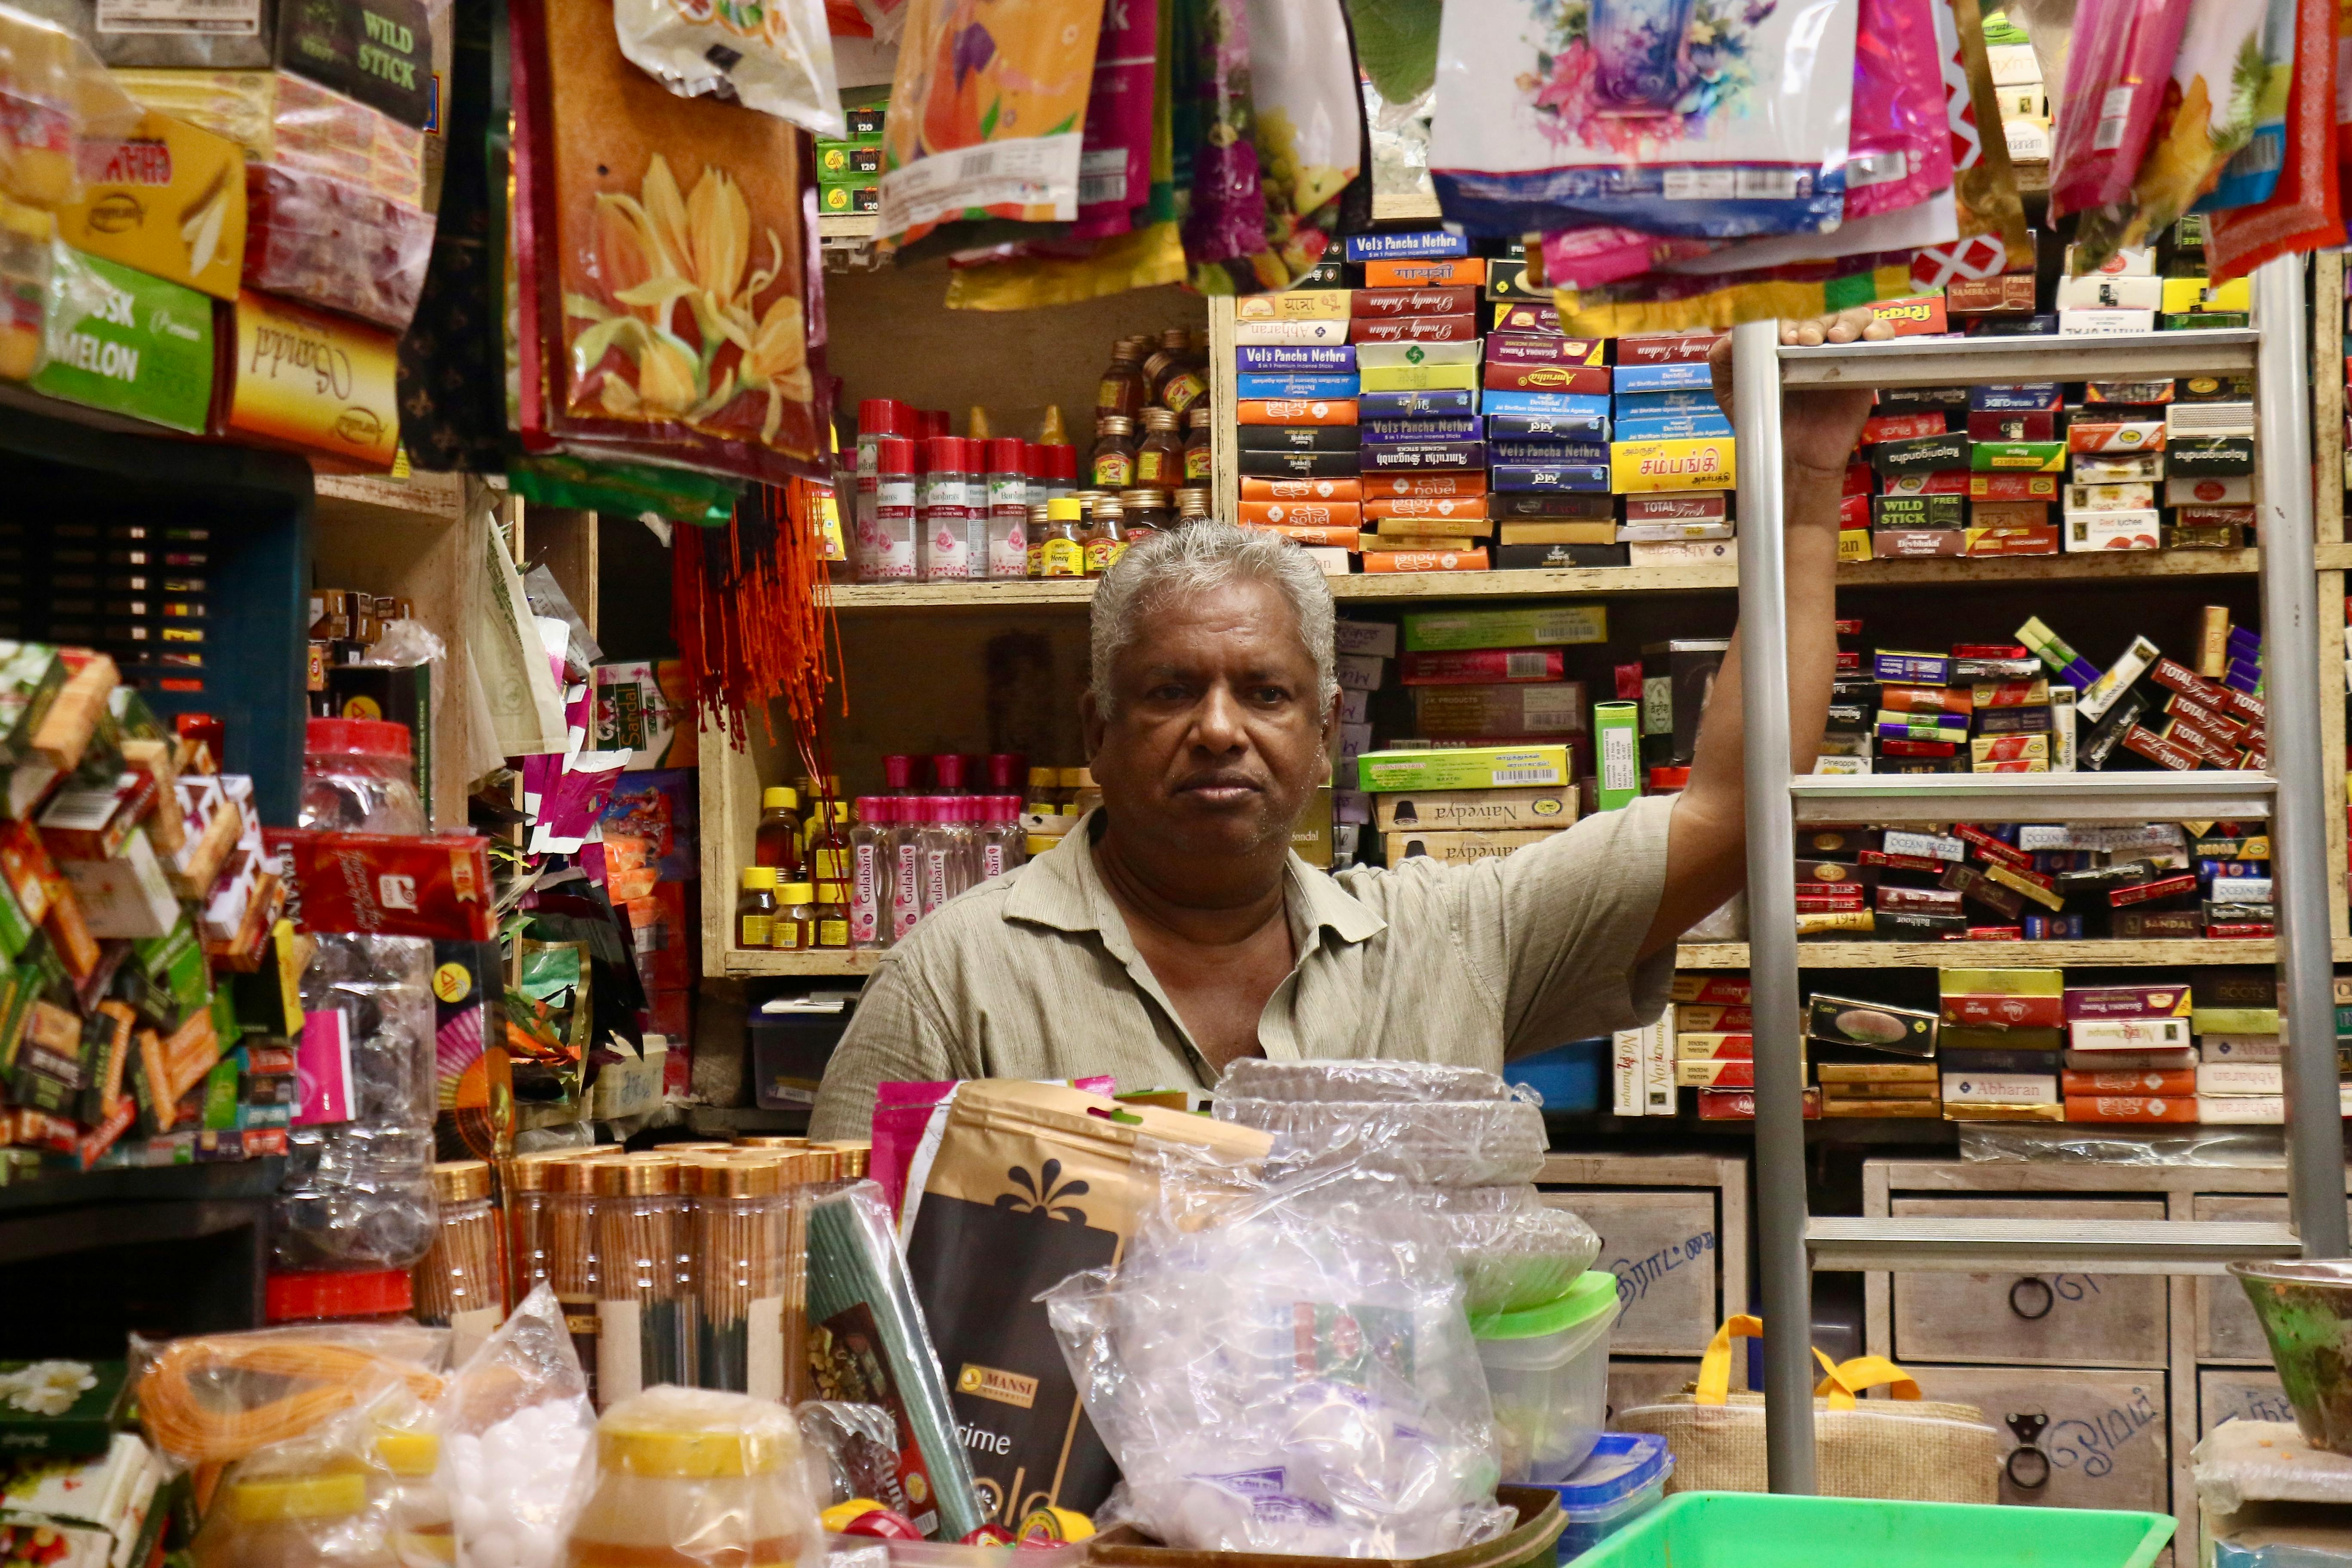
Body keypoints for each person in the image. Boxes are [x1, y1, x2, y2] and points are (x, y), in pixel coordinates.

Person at [806, 327, 1874, 1139]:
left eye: (1264, 695)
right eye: (1172, 692)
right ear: (1097, 731)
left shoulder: (1452, 940)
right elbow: (850, 1303)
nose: (1219, 730)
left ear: (1326, 738)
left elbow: (1735, 809)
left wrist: (1807, 487)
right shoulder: (955, 979)